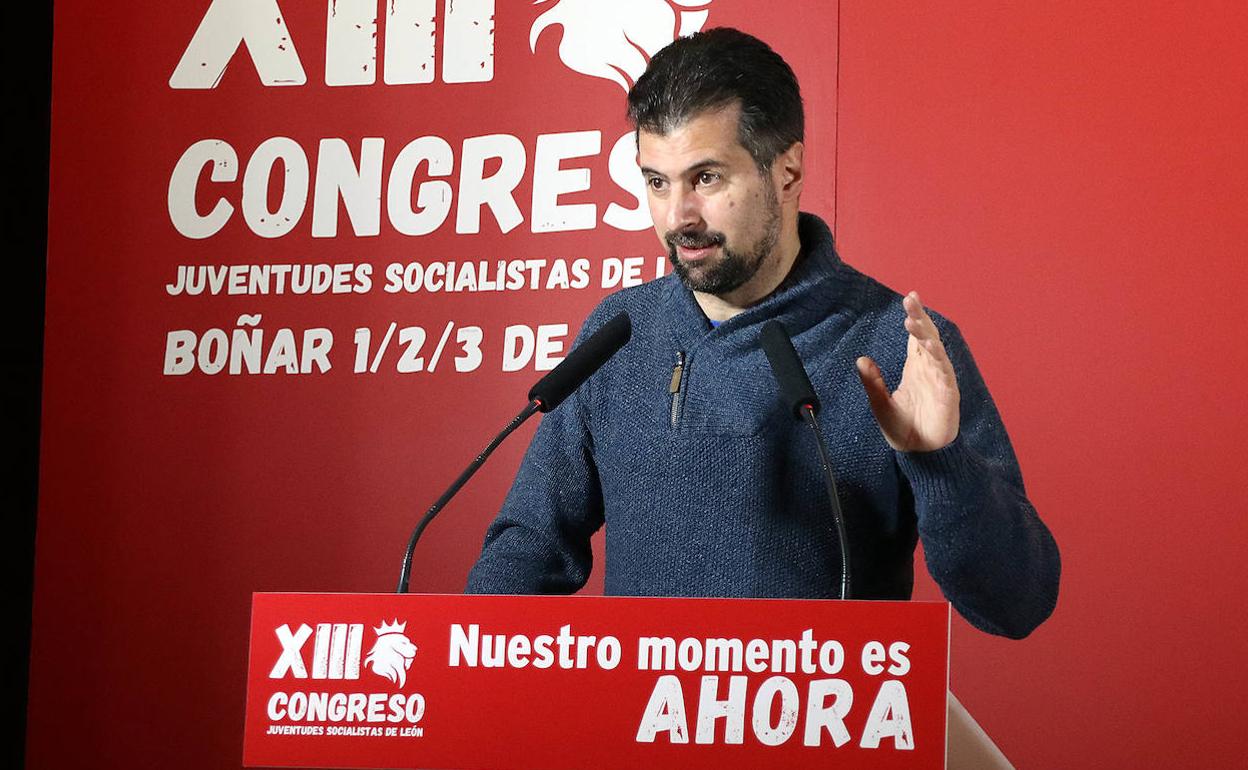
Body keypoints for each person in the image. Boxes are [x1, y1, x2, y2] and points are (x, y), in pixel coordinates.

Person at [466, 28, 1059, 639]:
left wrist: (940, 462)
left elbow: (1018, 603)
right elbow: (527, 551)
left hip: (823, 729)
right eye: (657, 182)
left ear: (788, 172)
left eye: (706, 179)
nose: (678, 218)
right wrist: (457, 679)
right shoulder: (621, 336)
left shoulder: (895, 347)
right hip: (636, 728)